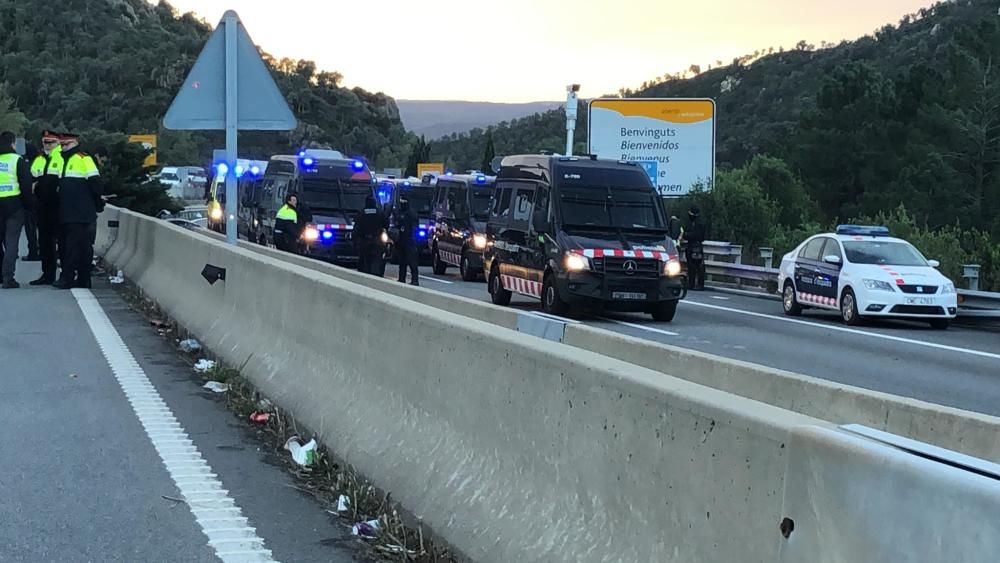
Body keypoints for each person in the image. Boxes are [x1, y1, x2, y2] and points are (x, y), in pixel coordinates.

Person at [54, 132, 103, 290]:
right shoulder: (63, 161)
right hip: (68, 212)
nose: (63, 147)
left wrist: (98, 203)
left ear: (75, 143)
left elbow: (95, 184)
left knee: (77, 247)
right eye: (61, 145)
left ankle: (74, 278)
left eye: (66, 144)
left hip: (82, 212)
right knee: (74, 247)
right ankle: (79, 279)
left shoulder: (84, 159)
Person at [29, 130, 65, 285]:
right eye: (45, 142)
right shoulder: (39, 158)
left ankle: (65, 274)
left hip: (59, 205)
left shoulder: (62, 157)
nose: (47, 145)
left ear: (57, 143)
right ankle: (47, 274)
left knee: (62, 241)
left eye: (51, 142)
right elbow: (31, 177)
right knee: (44, 241)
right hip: (42, 205)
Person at [0, 131, 35, 289]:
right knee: (11, 242)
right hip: (14, 205)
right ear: (13, 143)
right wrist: (30, 206)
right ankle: (8, 278)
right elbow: (26, 187)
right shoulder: (17, 160)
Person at [353, 195, 387, 275]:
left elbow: (357, 228)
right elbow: (386, 224)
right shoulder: (379, 213)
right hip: (377, 240)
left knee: (364, 262)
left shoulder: (361, 213)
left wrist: (355, 241)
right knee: (376, 261)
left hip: (364, 240)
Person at [396, 195, 420, 286]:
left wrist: (413, 239)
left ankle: (415, 280)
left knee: (412, 261)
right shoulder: (400, 213)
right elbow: (397, 225)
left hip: (409, 241)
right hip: (402, 240)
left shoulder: (411, 214)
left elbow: (415, 227)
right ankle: (401, 278)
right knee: (402, 262)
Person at [683, 205, 707, 291]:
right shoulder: (702, 222)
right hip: (698, 245)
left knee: (692, 265)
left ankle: (692, 283)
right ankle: (699, 284)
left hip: (693, 245)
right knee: (699, 265)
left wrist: (686, 235)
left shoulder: (694, 223)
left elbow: (693, 234)